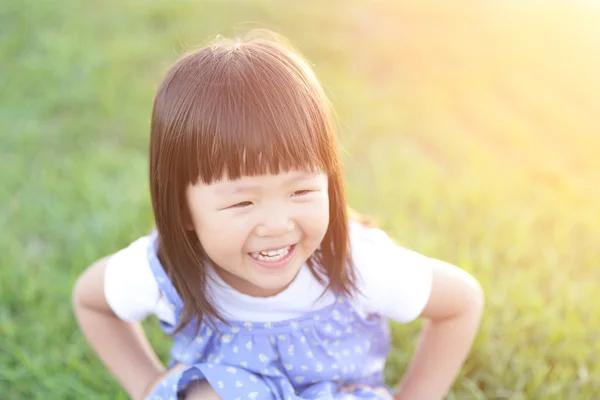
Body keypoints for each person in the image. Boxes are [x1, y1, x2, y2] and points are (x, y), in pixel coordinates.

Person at [72, 30, 484, 400]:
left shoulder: (359, 264)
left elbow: (461, 301)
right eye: (242, 202)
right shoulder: (166, 269)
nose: (276, 224)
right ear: (184, 211)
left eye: (301, 190)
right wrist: (146, 386)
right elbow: (91, 300)